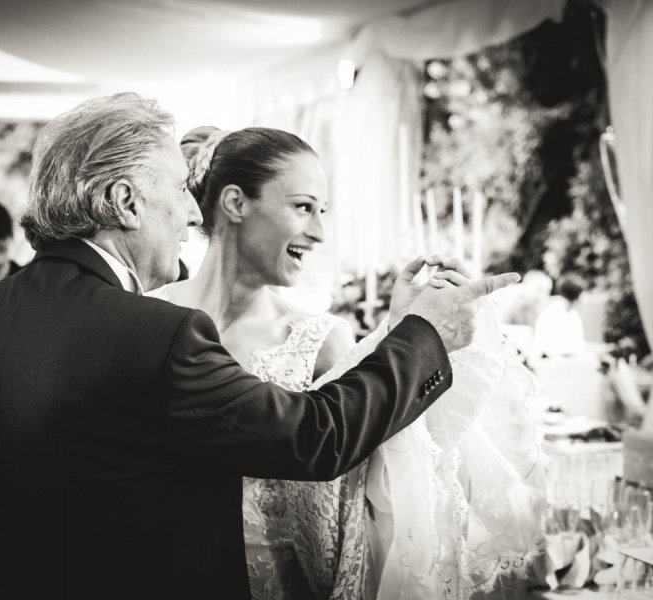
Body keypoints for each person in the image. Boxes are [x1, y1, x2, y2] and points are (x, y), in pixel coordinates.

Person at [0, 92, 518, 600]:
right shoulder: (153, 335)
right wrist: (422, 334)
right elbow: (313, 435)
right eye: (181, 190)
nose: (191, 213)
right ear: (127, 202)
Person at [165, 127, 547, 599]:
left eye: (321, 212)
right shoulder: (147, 317)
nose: (320, 232)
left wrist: (398, 337)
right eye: (303, 207)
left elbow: (374, 463)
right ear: (236, 204)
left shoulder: (322, 339)